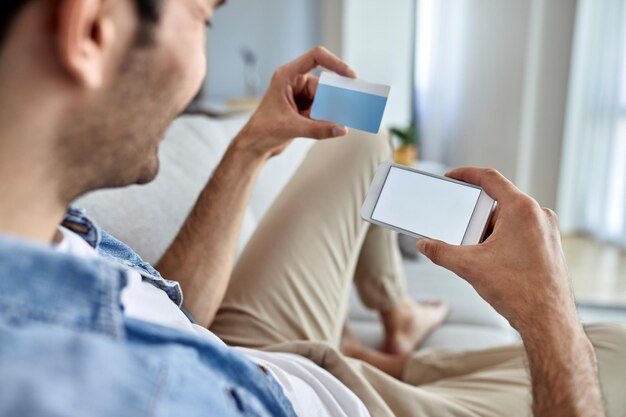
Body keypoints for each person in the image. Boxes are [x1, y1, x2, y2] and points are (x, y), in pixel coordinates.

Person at [0, 1, 624, 417]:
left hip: (246, 352)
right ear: (91, 30)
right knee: (609, 353)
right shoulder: (100, 392)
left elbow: (169, 313)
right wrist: (545, 315)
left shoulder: (36, 228)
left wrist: (252, 146)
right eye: (203, 18)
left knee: (354, 126)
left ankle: (397, 319)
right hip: (319, 401)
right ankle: (392, 356)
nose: (203, 58)